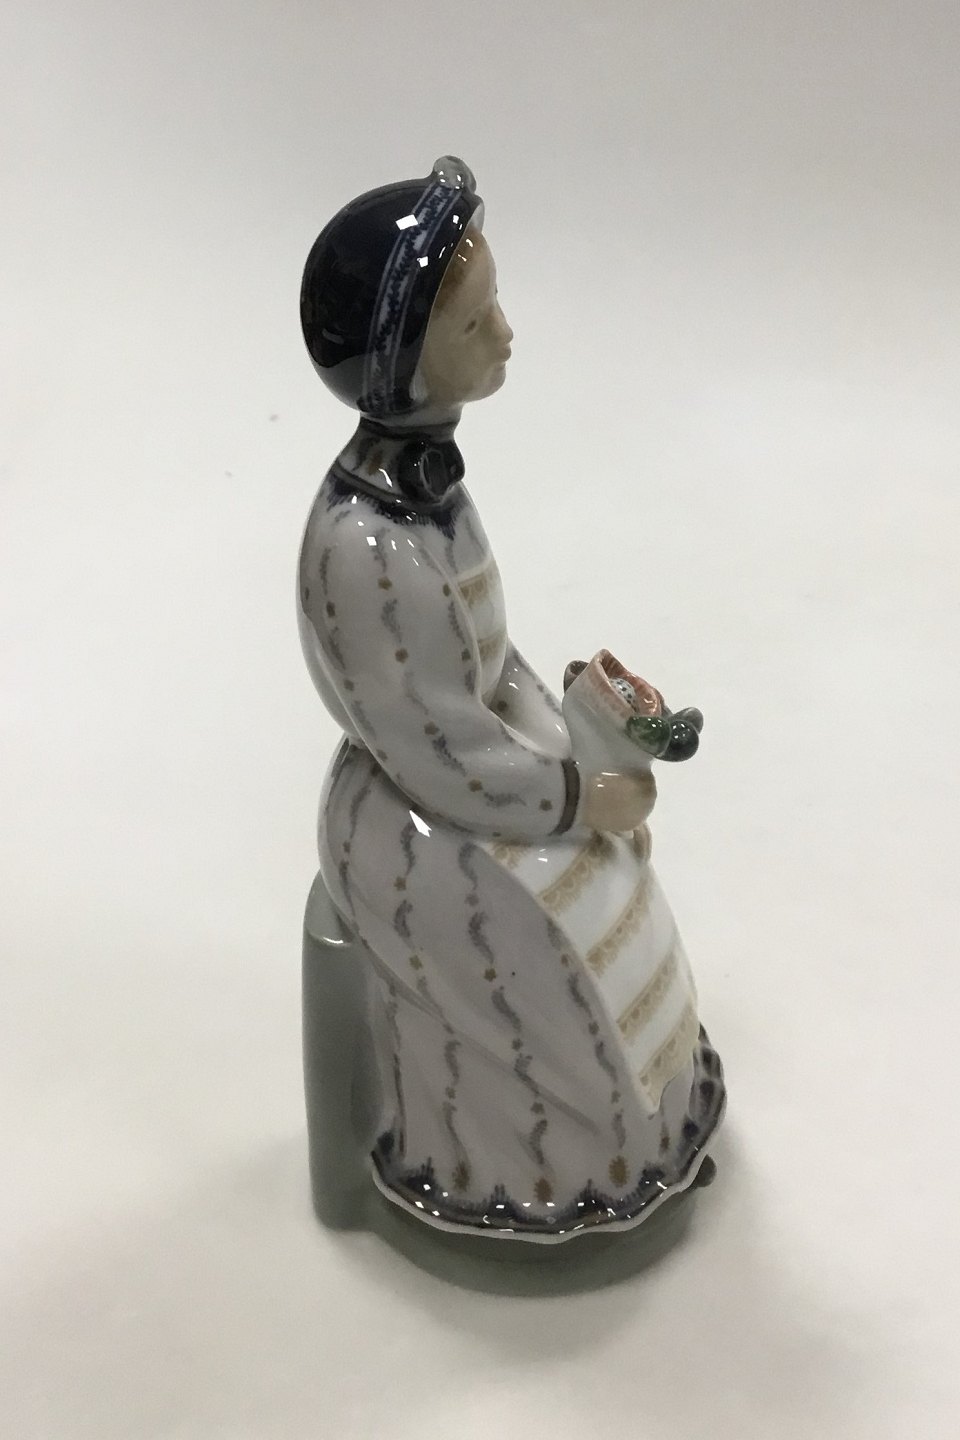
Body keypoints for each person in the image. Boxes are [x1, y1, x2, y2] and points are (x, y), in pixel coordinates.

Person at [298, 157, 724, 1241]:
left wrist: (577, 742)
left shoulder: (431, 496)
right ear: (405, 365)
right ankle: (544, 1176)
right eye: (476, 320)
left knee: (618, 875)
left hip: (480, 771)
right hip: (411, 814)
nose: (507, 333)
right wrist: (573, 796)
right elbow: (434, 748)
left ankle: (649, 1131)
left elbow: (487, 671)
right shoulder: (366, 551)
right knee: (543, 936)